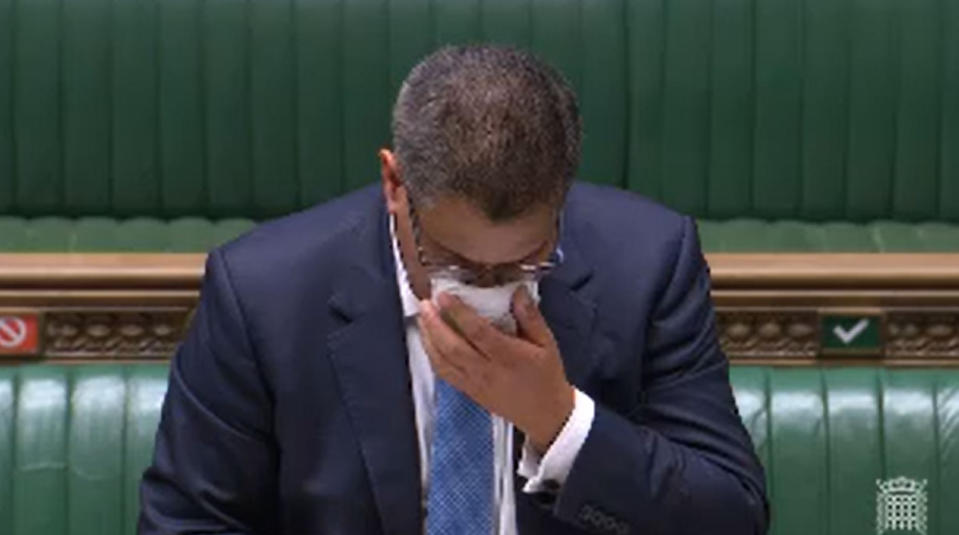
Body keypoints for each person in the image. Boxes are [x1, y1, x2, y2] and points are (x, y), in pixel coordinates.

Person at [139, 45, 768, 535]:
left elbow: (732, 517)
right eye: (452, 262)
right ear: (394, 184)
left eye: (526, 262)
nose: (485, 292)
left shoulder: (648, 262)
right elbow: (187, 522)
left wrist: (560, 423)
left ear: (562, 200)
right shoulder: (264, 293)